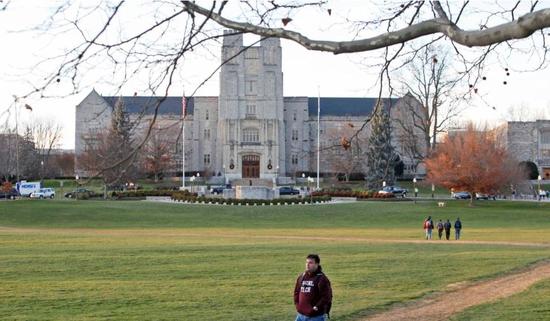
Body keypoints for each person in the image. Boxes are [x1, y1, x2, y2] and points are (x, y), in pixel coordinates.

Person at [294, 254, 333, 321]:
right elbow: (296, 292)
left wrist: (316, 307)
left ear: (317, 264)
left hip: (316, 317)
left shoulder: (322, 279)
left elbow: (327, 297)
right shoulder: (302, 276)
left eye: (310, 263)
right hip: (300, 315)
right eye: (306, 262)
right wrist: (297, 305)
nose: (307, 265)